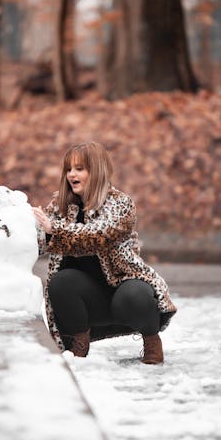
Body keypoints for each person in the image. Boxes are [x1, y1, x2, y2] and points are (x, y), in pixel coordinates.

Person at [32, 141, 177, 364]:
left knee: (134, 295)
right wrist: (15, 221)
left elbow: (99, 235)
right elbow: (38, 241)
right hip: (89, 299)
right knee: (61, 282)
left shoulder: (120, 203)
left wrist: (55, 230)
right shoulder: (60, 207)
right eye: (69, 169)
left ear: (96, 171)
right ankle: (78, 348)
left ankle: (151, 341)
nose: (72, 174)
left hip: (123, 290)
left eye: (79, 169)